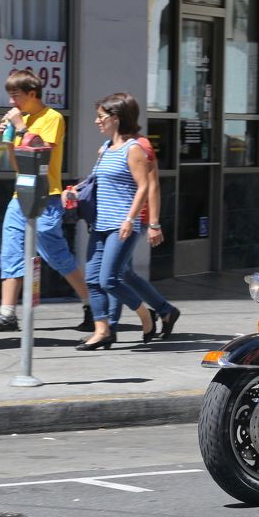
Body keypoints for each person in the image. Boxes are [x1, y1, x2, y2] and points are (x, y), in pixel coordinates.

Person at [0, 70, 93, 333]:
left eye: (17, 95)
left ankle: (92, 305)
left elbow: (42, 154)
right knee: (10, 251)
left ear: (32, 94)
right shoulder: (20, 118)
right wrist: (10, 137)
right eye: (10, 95)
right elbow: (19, 166)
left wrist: (21, 128)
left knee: (56, 256)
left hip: (47, 195)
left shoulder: (52, 118)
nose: (12, 102)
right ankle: (7, 313)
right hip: (19, 195)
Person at [76, 93, 154, 351]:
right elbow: (97, 182)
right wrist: (74, 191)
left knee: (109, 278)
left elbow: (144, 187)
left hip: (122, 224)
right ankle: (103, 331)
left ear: (116, 118)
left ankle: (145, 315)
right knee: (92, 279)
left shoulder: (134, 150)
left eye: (101, 116)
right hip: (100, 223)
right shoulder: (105, 148)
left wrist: (131, 219)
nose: (96, 121)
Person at [105, 134, 180, 341]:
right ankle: (165, 310)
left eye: (103, 116)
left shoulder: (141, 145)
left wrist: (154, 223)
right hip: (117, 218)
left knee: (114, 274)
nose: (98, 121)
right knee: (123, 273)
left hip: (134, 219)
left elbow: (152, 184)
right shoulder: (112, 145)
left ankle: (110, 327)